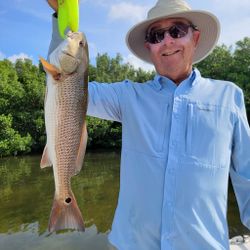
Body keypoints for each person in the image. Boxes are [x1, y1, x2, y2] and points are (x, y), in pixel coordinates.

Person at [46, 0, 250, 249]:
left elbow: (247, 175)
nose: (167, 41)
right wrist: (61, 18)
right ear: (149, 46)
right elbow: (67, 87)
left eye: (177, 31)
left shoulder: (229, 97)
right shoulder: (127, 96)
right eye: (157, 35)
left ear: (195, 38)